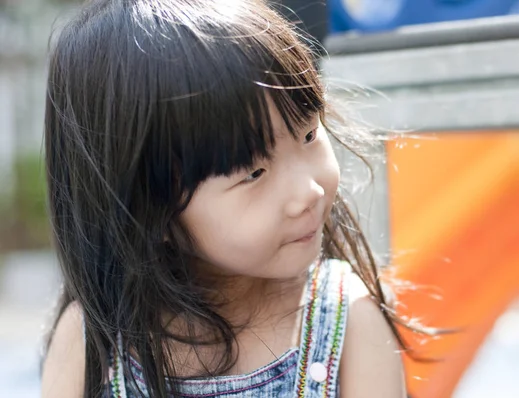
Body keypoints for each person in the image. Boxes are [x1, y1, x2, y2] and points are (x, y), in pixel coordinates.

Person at [40, 0, 408, 396]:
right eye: (254, 173)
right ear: (144, 209)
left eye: (308, 135)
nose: (310, 192)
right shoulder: (92, 345)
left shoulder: (347, 319)